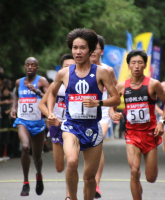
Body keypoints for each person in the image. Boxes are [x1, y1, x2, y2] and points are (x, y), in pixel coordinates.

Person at [47, 28, 120, 200]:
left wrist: (99, 102)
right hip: (71, 126)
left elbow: (116, 98)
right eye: (74, 48)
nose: (78, 52)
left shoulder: (101, 72)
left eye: (82, 48)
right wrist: (50, 113)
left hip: (92, 128)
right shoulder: (64, 73)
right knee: (71, 162)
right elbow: (51, 93)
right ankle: (71, 198)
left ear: (91, 50)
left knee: (89, 178)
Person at [109, 50, 165, 200]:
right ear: (128, 66)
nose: (136, 66)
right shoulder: (122, 86)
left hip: (150, 134)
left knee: (151, 178)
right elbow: (112, 106)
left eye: (140, 63)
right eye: (133, 63)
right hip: (132, 134)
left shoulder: (153, 84)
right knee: (134, 171)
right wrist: (112, 114)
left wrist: (161, 122)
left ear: (145, 65)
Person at [10, 57, 49, 196]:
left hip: (38, 122)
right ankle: (25, 182)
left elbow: (50, 98)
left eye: (33, 65)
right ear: (24, 67)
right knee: (25, 147)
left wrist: (36, 91)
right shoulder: (19, 82)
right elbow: (16, 94)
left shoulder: (42, 81)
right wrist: (14, 107)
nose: (30, 67)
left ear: (37, 67)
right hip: (23, 120)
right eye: (27, 65)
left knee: (37, 156)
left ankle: (39, 175)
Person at [38, 54, 75, 200]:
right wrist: (51, 115)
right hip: (56, 126)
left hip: (72, 126)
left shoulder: (80, 86)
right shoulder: (55, 85)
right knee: (60, 167)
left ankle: (68, 195)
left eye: (73, 67)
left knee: (71, 161)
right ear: (61, 69)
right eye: (66, 66)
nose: (69, 69)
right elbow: (41, 105)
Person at [89, 35, 117, 199]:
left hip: (103, 114)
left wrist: (112, 110)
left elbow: (115, 93)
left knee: (97, 143)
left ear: (102, 51)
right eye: (90, 47)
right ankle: (88, 179)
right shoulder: (78, 69)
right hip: (83, 114)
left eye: (96, 47)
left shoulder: (108, 70)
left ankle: (95, 184)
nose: (93, 50)